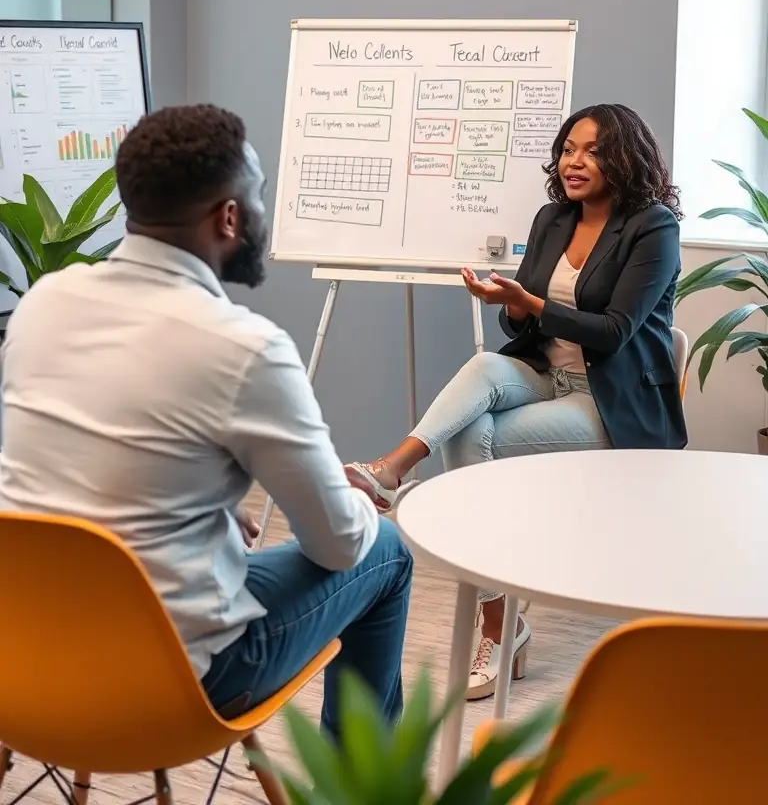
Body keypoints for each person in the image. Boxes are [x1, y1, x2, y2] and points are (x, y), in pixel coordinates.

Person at [0, 104, 412, 736]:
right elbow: (336, 543)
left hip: (26, 659)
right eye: (260, 198)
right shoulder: (244, 347)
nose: (264, 217)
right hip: (175, 681)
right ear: (229, 217)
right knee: (382, 549)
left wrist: (201, 502)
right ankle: (356, 791)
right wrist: (351, 497)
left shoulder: (43, 304)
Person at [346, 103, 686, 700]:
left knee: (475, 437)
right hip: (543, 377)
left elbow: (613, 331)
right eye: (568, 148)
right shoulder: (554, 217)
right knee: (482, 369)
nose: (575, 161)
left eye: (593, 150)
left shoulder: (652, 227)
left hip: (610, 404)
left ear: (625, 158)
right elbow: (520, 326)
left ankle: (499, 623)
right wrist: (504, 300)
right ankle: (393, 473)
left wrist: (528, 303)